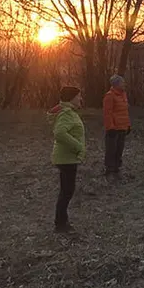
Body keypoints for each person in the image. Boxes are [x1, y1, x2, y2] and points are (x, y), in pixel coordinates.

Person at [48, 86, 86, 233]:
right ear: (71, 98)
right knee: (67, 191)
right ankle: (61, 224)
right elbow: (59, 133)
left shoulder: (69, 112)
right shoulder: (67, 114)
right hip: (66, 158)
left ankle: (62, 222)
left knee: (67, 191)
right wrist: (78, 147)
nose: (80, 99)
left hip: (67, 157)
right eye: (78, 96)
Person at [103, 75, 131, 180]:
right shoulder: (109, 96)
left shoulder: (123, 95)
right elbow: (107, 113)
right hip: (113, 129)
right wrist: (110, 127)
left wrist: (128, 125)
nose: (124, 84)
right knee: (111, 150)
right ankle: (109, 170)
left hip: (122, 127)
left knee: (119, 149)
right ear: (116, 84)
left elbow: (125, 112)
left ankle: (117, 169)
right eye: (122, 82)